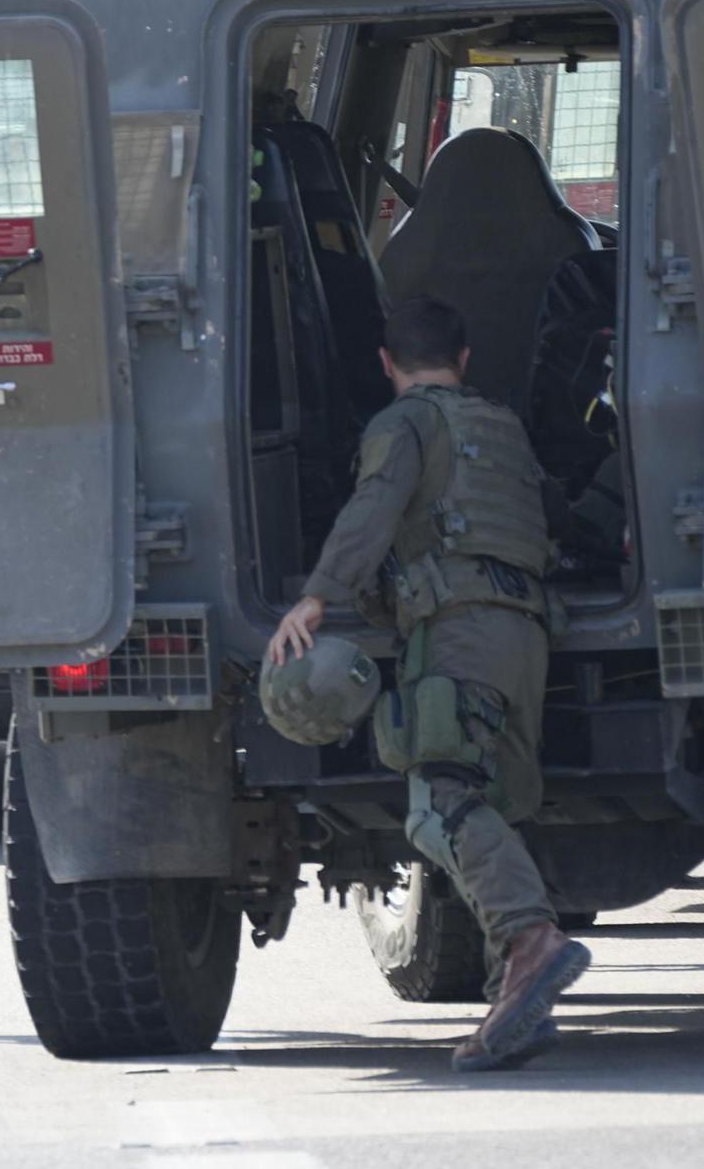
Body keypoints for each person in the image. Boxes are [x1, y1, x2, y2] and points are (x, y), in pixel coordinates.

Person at [264, 295, 588, 1072]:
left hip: (460, 629)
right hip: (527, 632)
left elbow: (376, 506)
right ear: (466, 356)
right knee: (498, 804)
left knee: (440, 799)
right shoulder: (502, 424)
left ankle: (530, 938)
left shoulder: (403, 424)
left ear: (386, 364)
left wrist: (318, 592)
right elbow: (550, 516)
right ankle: (511, 997)